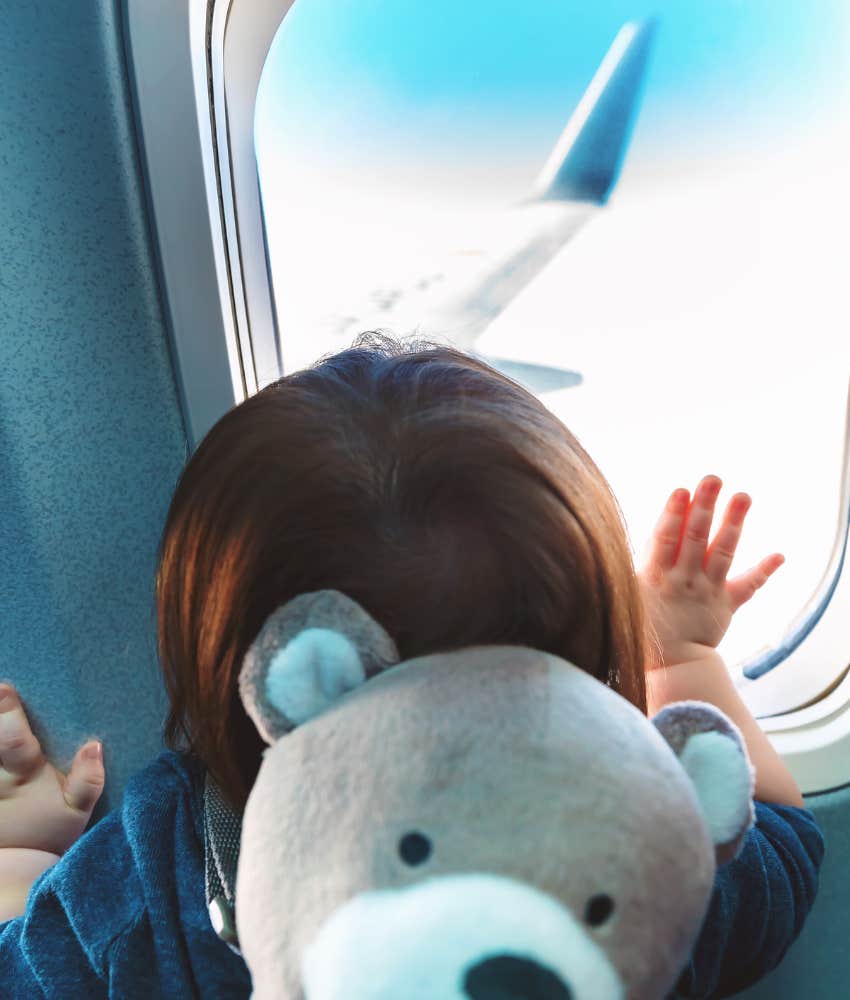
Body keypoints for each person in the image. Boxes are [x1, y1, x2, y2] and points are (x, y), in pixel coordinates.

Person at [0, 334, 824, 998]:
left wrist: (24, 853)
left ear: (279, 679)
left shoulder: (140, 903)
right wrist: (681, 657)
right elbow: (784, 837)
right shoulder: (655, 873)